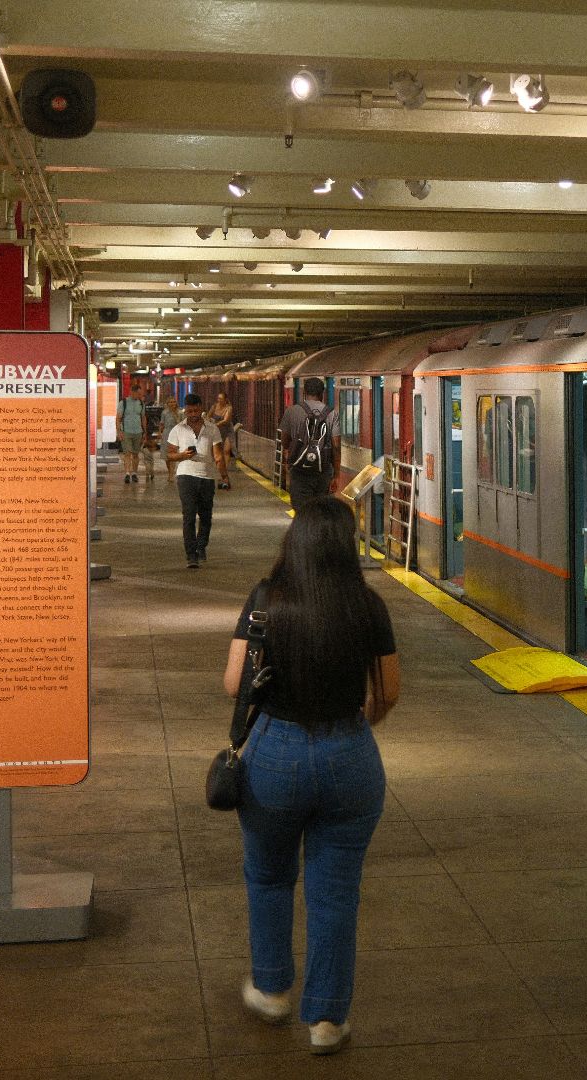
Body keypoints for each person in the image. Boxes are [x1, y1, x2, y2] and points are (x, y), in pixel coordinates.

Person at [222, 496, 399, 1055]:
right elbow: (388, 690)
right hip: (350, 755)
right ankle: (325, 1020)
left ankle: (272, 989)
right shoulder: (368, 606)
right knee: (336, 893)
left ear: (293, 541)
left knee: (270, 876)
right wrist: (354, 723)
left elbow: (234, 685)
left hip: (275, 753)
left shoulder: (264, 602)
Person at [166, 393, 222, 568]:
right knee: (188, 516)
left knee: (206, 516)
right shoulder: (178, 429)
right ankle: (191, 555)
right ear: (185, 411)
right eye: (189, 411)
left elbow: (218, 455)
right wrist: (182, 455)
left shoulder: (212, 428)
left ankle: (201, 545)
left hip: (206, 476)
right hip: (185, 475)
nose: (193, 414)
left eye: (196, 410)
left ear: (201, 408)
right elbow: (169, 454)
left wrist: (224, 476)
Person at [278, 379, 336, 512]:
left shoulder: (291, 411)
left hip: (299, 471)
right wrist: (336, 475)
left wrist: (290, 455)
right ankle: (318, 532)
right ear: (322, 393)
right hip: (323, 472)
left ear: (304, 393)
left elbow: (284, 441)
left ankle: (305, 531)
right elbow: (336, 447)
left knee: (301, 511)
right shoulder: (332, 414)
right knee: (321, 510)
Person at [207, 391, 236, 490]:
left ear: (225, 400)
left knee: (227, 450)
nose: (219, 400)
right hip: (217, 432)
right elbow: (208, 416)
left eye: (221, 399)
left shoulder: (229, 408)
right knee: (217, 454)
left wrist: (215, 424)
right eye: (218, 398)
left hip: (227, 430)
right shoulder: (214, 406)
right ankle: (221, 471)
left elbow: (226, 420)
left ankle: (225, 471)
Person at [117, 389, 145, 483]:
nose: (140, 395)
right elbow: (118, 417)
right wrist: (119, 431)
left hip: (138, 432)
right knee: (127, 453)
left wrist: (144, 432)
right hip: (126, 432)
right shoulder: (123, 402)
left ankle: (134, 473)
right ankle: (127, 474)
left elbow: (143, 417)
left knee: (136, 453)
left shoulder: (141, 403)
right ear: (132, 392)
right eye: (138, 393)